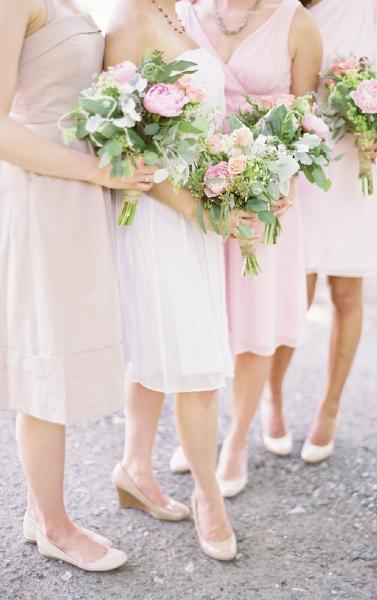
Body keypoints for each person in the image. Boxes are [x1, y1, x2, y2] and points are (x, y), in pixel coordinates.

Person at [0, 0, 157, 572]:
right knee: (46, 360)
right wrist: (96, 170)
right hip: (44, 195)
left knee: (63, 354)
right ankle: (52, 524)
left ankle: (42, 511)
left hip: (79, 193)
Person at [105, 0, 241, 561]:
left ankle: (135, 468)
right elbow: (125, 143)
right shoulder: (128, 20)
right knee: (197, 364)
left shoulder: (181, 12)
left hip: (195, 210)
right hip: (161, 215)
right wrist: (192, 208)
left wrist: (235, 172)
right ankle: (209, 496)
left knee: (165, 347)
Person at [170, 0, 323, 497]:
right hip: (197, 192)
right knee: (201, 315)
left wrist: (280, 186)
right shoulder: (183, 13)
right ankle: (200, 429)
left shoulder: (297, 23)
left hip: (264, 197)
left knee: (255, 323)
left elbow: (306, 121)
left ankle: (235, 442)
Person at [266, 0, 377, 464]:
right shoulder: (295, 8)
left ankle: (330, 408)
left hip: (360, 161)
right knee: (295, 292)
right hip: (309, 163)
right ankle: (273, 398)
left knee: (347, 294)